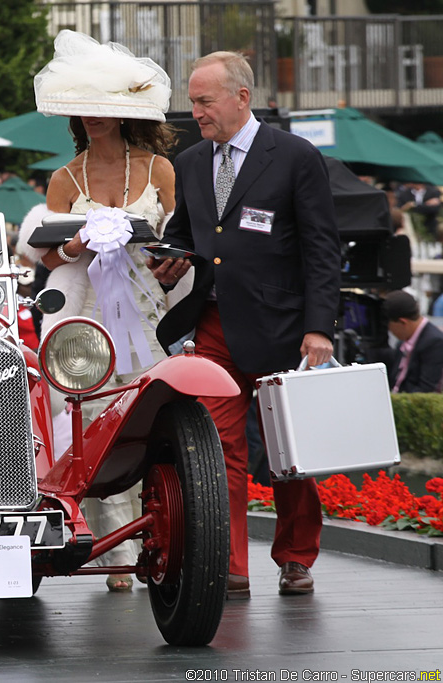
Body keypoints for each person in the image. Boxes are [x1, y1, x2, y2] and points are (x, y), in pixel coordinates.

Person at [147, 51, 340, 599]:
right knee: (218, 449)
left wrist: (319, 326)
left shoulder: (296, 156)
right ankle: (229, 564)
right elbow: (188, 235)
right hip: (213, 327)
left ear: (241, 97)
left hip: (283, 330)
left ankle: (296, 557)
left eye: (203, 101)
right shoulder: (189, 163)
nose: (195, 113)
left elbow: (321, 249)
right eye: (191, 101)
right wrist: (169, 258)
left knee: (288, 454)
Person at [23, 31, 175, 591]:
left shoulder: (158, 168)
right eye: (81, 111)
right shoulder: (65, 179)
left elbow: (174, 237)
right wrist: (77, 245)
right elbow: (47, 252)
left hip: (146, 305)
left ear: (121, 114)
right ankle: (115, 551)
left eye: (100, 110)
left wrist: (159, 253)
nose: (91, 119)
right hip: (87, 309)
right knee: (91, 417)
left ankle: (154, 532)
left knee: (149, 412)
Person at [382, 290, 443, 393]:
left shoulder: (434, 342)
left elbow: (425, 389)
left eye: (389, 325)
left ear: (402, 322)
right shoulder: (403, 343)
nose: (389, 330)